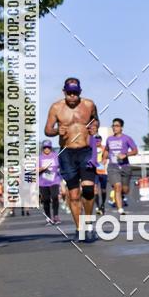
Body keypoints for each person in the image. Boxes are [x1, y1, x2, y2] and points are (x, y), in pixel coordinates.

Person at [44, 77, 99, 239]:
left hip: (86, 151)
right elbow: (47, 130)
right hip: (67, 153)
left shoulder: (89, 105)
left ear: (80, 92)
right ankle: (79, 229)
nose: (72, 96)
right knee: (73, 195)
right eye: (69, 93)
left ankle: (89, 225)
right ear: (64, 92)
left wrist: (94, 126)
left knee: (88, 190)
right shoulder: (56, 108)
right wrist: (56, 132)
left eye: (75, 93)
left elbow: (95, 120)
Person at [103, 119, 138, 215]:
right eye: (113, 126)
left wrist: (125, 154)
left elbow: (135, 151)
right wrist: (104, 158)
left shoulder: (127, 138)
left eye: (117, 126)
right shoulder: (109, 139)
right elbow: (106, 150)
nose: (114, 127)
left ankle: (122, 196)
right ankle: (120, 210)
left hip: (125, 166)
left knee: (125, 190)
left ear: (121, 127)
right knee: (117, 187)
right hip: (113, 167)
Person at [38, 140, 61, 224]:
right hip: (43, 182)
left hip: (54, 180)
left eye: (48, 147)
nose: (46, 149)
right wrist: (42, 168)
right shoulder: (39, 158)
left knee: (55, 197)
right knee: (46, 200)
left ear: (51, 148)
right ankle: (48, 217)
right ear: (42, 148)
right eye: (45, 147)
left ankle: (56, 216)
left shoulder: (55, 156)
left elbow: (60, 166)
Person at [93, 136, 108, 215]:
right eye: (96, 141)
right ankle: (98, 206)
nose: (97, 142)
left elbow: (106, 158)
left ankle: (103, 205)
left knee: (103, 190)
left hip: (103, 172)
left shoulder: (104, 148)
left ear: (101, 141)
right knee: (95, 189)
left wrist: (102, 162)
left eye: (98, 141)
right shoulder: (92, 149)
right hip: (94, 172)